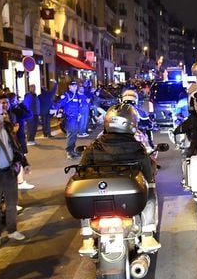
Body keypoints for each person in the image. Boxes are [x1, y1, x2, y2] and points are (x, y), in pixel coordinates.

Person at [77, 103, 160, 255]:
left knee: (85, 195)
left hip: (100, 195)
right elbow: (149, 174)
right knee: (151, 190)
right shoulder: (137, 147)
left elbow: (82, 170)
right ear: (132, 123)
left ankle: (87, 237)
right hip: (127, 200)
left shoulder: (95, 145)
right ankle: (147, 235)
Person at [0, 97, 30, 247]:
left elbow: (15, 146)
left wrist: (24, 163)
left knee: (11, 204)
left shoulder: (7, 125)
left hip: (9, 171)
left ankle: (12, 230)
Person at [58, 81, 82, 159]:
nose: (75, 87)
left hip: (75, 118)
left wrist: (79, 114)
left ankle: (72, 151)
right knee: (71, 134)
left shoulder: (77, 95)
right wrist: (54, 110)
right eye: (73, 86)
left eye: (75, 86)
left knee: (74, 135)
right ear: (69, 87)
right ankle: (69, 152)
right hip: (70, 118)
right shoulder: (67, 95)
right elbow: (59, 103)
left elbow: (78, 106)